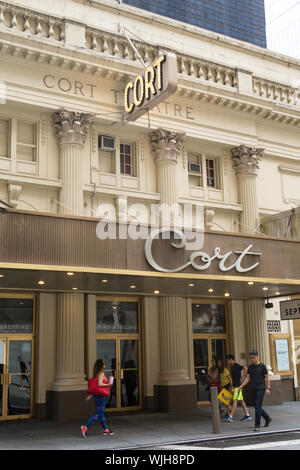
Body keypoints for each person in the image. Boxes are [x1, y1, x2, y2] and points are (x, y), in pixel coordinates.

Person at [238, 349, 272, 432]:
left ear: (257, 357)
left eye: (253, 357)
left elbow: (267, 377)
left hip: (261, 388)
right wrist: (242, 385)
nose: (252, 359)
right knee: (257, 407)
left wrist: (268, 388)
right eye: (250, 358)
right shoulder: (250, 367)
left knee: (257, 407)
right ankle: (267, 418)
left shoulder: (262, 366)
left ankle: (257, 425)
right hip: (253, 388)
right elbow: (248, 377)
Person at [81, 359, 114, 437]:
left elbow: (95, 387)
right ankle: (85, 427)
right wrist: (108, 384)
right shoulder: (101, 373)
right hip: (101, 396)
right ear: (101, 365)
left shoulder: (96, 374)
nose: (105, 364)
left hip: (96, 396)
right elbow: (99, 384)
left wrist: (90, 396)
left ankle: (106, 430)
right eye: (103, 363)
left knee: (101, 415)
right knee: (99, 415)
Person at [224, 354, 251, 423]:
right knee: (241, 401)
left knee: (235, 400)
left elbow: (245, 368)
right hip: (235, 385)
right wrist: (231, 386)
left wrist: (243, 377)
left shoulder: (236, 365)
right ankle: (247, 415)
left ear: (231, 360)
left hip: (238, 386)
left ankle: (231, 416)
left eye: (228, 361)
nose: (228, 362)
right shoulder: (232, 367)